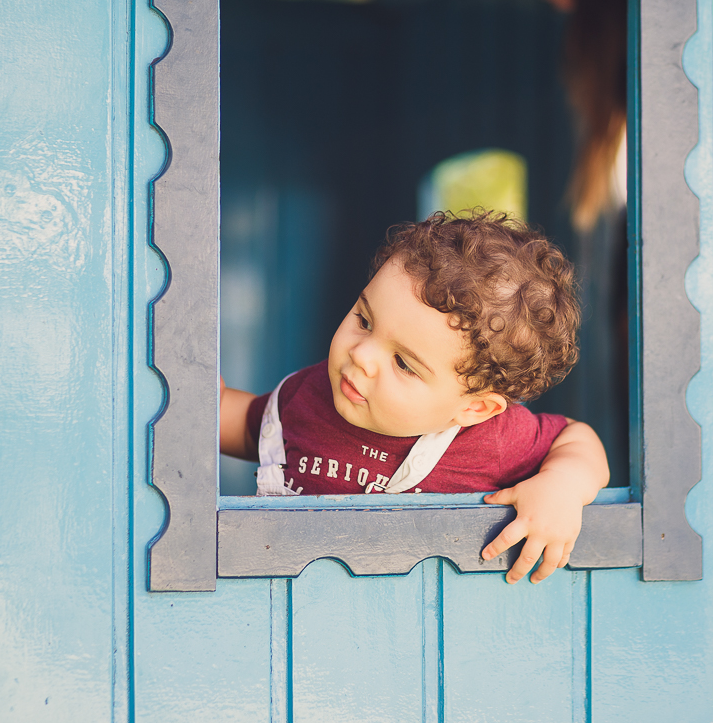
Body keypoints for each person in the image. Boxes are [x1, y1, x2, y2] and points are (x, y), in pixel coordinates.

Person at [219, 211, 609, 584]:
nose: (361, 355)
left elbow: (575, 438)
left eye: (404, 364)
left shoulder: (492, 440)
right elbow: (241, 423)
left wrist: (562, 486)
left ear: (474, 408)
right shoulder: (309, 394)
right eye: (364, 320)